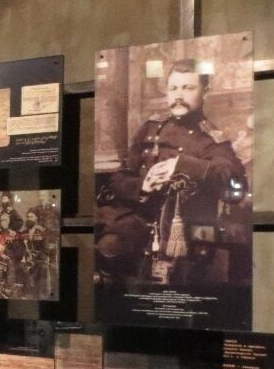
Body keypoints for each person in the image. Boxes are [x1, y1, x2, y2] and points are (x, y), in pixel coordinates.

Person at [96, 58, 248, 285]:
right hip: (140, 220)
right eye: (174, 88)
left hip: (184, 229)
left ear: (205, 92)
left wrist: (181, 164)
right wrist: (143, 186)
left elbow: (232, 177)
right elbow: (120, 178)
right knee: (106, 250)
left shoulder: (211, 138)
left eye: (188, 88)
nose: (179, 95)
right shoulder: (151, 129)